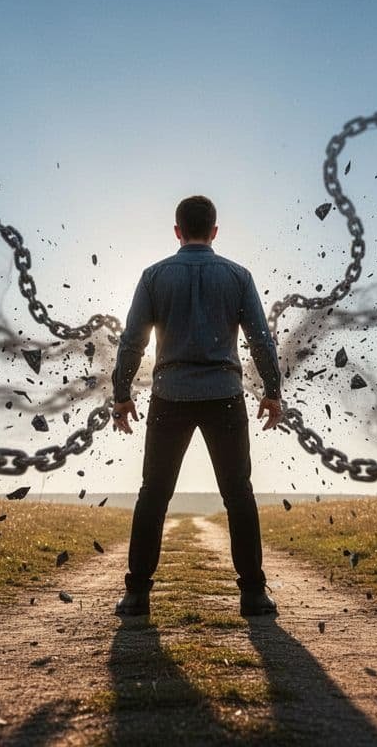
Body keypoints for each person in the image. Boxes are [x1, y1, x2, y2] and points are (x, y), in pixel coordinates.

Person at [110, 195, 282, 618]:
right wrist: (272, 390)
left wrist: (121, 393)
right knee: (238, 494)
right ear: (215, 231)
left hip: (170, 396)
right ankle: (254, 595)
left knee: (153, 494)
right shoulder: (238, 276)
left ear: (177, 231)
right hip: (224, 395)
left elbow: (133, 341)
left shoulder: (153, 277)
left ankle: (136, 596)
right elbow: (260, 338)